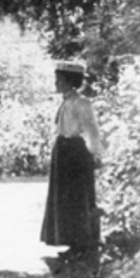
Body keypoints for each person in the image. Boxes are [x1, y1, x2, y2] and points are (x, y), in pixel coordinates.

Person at [40, 60, 103, 263]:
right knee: (64, 199)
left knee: (77, 199)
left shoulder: (81, 103)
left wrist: (96, 154)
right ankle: (70, 242)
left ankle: (82, 244)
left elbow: (91, 131)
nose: (56, 82)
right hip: (63, 151)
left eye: (59, 79)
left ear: (69, 81)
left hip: (75, 153)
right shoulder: (66, 101)